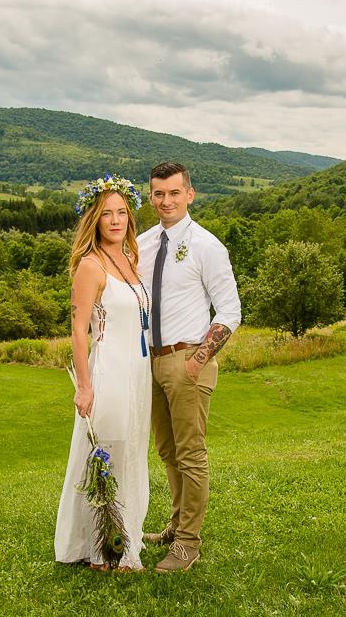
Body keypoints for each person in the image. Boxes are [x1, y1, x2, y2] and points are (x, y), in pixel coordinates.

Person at [137, 161, 241, 572]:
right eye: (159, 194)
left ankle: (188, 544)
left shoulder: (207, 246)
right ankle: (177, 524)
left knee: (191, 454)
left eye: (174, 193)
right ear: (151, 196)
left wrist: (198, 361)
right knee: (167, 451)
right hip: (150, 362)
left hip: (187, 360)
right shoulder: (142, 244)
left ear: (190, 195)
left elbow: (230, 311)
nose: (166, 201)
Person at [54, 175, 152, 572]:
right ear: (94, 219)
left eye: (122, 213)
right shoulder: (90, 266)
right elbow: (79, 330)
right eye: (107, 214)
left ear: (130, 216)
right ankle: (100, 548)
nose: (115, 221)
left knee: (131, 452)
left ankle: (128, 538)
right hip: (110, 369)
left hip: (138, 371)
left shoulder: (130, 260)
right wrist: (85, 385)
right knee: (108, 453)